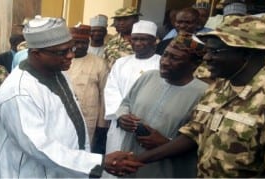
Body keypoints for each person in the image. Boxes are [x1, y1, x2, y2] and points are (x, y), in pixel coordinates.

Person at [136, 15, 265, 177]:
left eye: (215, 51)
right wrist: (137, 160)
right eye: (207, 51)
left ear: (246, 54)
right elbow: (194, 132)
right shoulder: (219, 87)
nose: (206, 58)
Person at [0, 15, 143, 178]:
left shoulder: (59, 73)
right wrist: (98, 162)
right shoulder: (18, 92)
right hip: (31, 172)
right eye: (62, 52)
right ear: (36, 53)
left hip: (64, 168)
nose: (70, 55)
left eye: (71, 48)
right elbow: (38, 147)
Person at [116, 32, 208, 178]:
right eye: (165, 55)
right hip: (130, 160)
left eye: (175, 58)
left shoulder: (204, 93)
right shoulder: (148, 76)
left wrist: (166, 142)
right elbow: (126, 102)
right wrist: (122, 117)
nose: (165, 62)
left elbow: (199, 139)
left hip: (167, 169)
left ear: (194, 64)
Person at [103, 20, 160, 178]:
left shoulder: (161, 63)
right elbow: (111, 89)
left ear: (154, 41)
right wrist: (121, 115)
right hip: (121, 124)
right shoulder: (121, 63)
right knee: (115, 164)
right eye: (135, 39)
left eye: (144, 39)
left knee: (141, 167)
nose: (138, 43)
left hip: (147, 124)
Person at [66, 23, 109, 154]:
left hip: (89, 117)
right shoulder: (62, 61)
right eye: (76, 42)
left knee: (85, 151)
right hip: (65, 116)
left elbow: (104, 95)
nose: (80, 46)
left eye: (84, 43)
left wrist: (102, 125)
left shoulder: (99, 63)